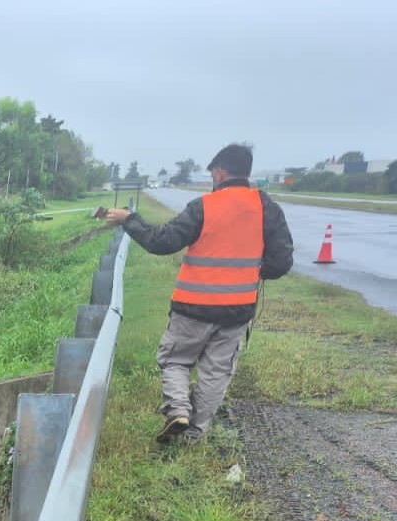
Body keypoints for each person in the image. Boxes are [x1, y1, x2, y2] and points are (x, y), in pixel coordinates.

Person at [103, 144, 293, 443]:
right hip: (237, 310)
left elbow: (162, 242)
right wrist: (256, 271)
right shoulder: (266, 207)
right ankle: (194, 434)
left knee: (176, 361)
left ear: (219, 172)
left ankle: (178, 410)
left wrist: (129, 220)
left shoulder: (204, 206)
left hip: (192, 307)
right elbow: (281, 261)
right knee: (216, 372)